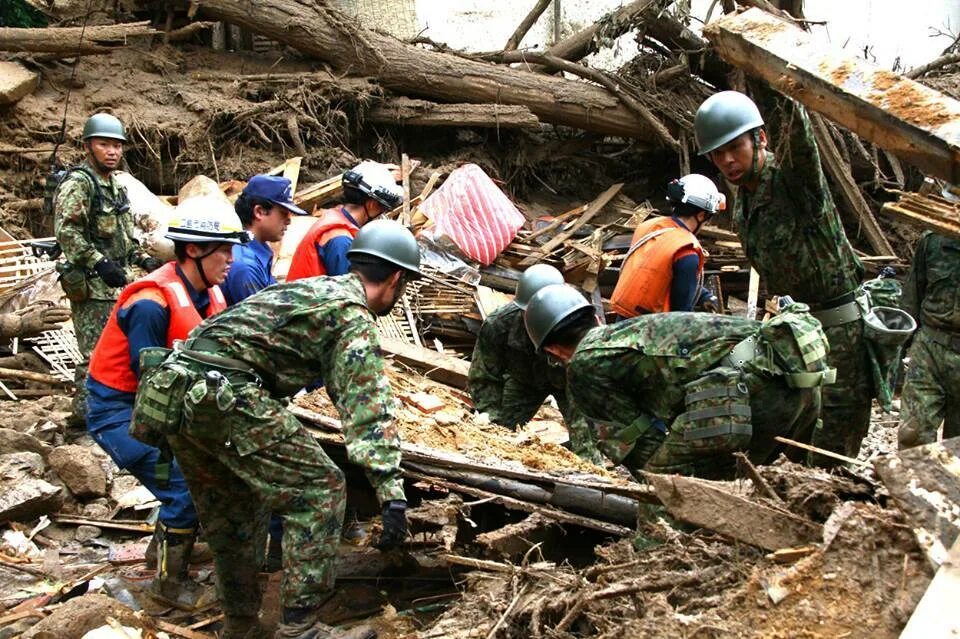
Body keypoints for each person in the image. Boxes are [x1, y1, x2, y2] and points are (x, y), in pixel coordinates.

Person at [135, 219, 420, 639]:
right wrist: (391, 492)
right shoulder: (351, 314)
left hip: (175, 395)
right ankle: (300, 628)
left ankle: (242, 625)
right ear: (396, 277)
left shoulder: (305, 289)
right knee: (320, 489)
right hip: (226, 394)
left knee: (233, 511)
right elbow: (366, 407)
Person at [694, 87, 873, 465]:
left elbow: (797, 132)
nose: (727, 160)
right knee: (793, 444)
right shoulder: (744, 201)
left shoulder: (795, 179)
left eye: (735, 147)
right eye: (717, 154)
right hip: (798, 333)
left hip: (840, 334)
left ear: (760, 138)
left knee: (832, 450)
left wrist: (769, 74)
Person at [85, 195, 245, 607]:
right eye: (224, 249)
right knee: (184, 486)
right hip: (121, 411)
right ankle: (168, 586)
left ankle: (165, 551)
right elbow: (151, 385)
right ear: (193, 249)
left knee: (208, 476)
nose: (231, 259)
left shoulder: (209, 294)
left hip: (165, 406)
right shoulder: (150, 303)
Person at [524, 284, 833, 479]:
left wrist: (661, 484)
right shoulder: (640, 329)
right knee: (776, 480)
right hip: (805, 381)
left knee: (670, 480)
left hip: (751, 393)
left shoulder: (585, 363)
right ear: (595, 317)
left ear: (552, 349)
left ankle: (668, 557)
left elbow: (633, 443)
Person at [54, 113, 162, 423]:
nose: (112, 152)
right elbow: (67, 233)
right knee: (94, 356)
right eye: (104, 145)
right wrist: (98, 262)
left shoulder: (115, 186)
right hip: (90, 285)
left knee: (118, 352)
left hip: (118, 284)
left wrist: (143, 260)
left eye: (117, 146)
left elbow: (123, 236)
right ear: (88, 146)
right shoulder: (79, 184)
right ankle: (82, 423)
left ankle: (113, 415)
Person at [468, 264, 602, 463]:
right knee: (495, 435)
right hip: (525, 383)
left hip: (572, 386)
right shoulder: (499, 325)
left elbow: (593, 373)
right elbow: (484, 377)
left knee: (588, 450)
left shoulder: (576, 319)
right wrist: (490, 418)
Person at [611, 174, 724, 318]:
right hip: (651, 330)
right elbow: (681, 314)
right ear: (701, 215)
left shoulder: (648, 228)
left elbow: (658, 273)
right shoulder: (687, 252)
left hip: (624, 317)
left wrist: (703, 295)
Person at [286, 162, 403, 280]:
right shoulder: (341, 239)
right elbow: (346, 292)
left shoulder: (333, 217)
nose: (382, 213)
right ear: (372, 205)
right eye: (382, 208)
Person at [898, 230, 960, 448]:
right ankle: (914, 483)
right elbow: (912, 296)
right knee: (912, 435)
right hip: (928, 351)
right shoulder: (934, 241)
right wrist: (898, 354)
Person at [221, 174, 308, 305]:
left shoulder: (254, 251)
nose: (289, 221)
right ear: (259, 212)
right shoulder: (245, 266)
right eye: (284, 213)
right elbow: (262, 319)